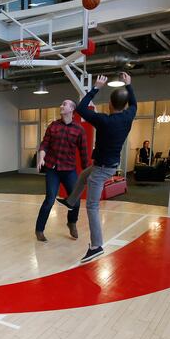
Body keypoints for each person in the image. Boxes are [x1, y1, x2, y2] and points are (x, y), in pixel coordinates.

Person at [57, 72, 137, 263]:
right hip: (107, 165)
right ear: (124, 106)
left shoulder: (104, 120)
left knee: (92, 206)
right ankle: (71, 200)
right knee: (84, 174)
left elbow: (81, 108)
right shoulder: (128, 115)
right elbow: (134, 104)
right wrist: (129, 86)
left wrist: (96, 88)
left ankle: (96, 246)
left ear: (110, 104)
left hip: (102, 169)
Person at [34, 98, 89, 242]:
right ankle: (39, 230)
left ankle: (72, 222)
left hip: (69, 170)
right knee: (49, 200)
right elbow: (44, 145)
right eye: (61, 103)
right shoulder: (53, 126)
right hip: (52, 169)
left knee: (75, 200)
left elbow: (83, 153)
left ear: (72, 109)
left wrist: (87, 172)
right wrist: (41, 158)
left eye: (64, 104)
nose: (61, 105)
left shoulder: (79, 130)